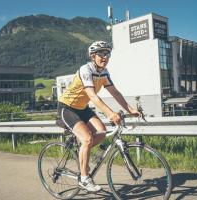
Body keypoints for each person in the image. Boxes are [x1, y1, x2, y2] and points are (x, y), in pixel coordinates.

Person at [57, 41, 140, 192]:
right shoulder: (85, 70)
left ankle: (84, 153)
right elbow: (93, 96)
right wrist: (110, 113)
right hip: (67, 108)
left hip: (82, 108)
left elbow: (115, 92)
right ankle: (84, 178)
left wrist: (130, 109)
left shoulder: (104, 73)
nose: (105, 57)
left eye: (107, 54)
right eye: (101, 54)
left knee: (101, 133)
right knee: (88, 138)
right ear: (93, 56)